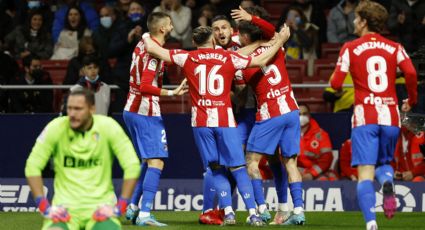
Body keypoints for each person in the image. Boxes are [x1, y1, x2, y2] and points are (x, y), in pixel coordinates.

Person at [143, 24, 290, 226]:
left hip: (201, 123)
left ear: (194, 43)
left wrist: (146, 33)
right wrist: (280, 40)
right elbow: (261, 59)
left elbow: (152, 48)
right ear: (213, 41)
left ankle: (228, 212)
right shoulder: (228, 57)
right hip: (225, 120)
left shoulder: (186, 56)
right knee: (238, 168)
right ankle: (254, 214)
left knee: (216, 168)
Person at [330, 1, 418, 229]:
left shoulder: (349, 47)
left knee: (365, 172)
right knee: (384, 163)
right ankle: (388, 182)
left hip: (365, 117)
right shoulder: (395, 47)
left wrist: (342, 74)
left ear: (364, 21)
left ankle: (371, 224)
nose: (353, 21)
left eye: (357, 18)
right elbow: (410, 72)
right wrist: (412, 100)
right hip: (390, 115)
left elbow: (336, 84)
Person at [25, 88, 141, 230]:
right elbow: (32, 166)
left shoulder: (108, 126)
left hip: (100, 210)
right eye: (70, 108)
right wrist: (44, 206)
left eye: (78, 109)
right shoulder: (56, 127)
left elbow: (132, 166)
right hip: (64, 210)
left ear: (92, 109)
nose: (72, 114)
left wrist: (120, 207)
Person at [235, 20, 305, 226]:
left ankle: (261, 209)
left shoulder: (242, 61)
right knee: (291, 163)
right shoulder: (277, 46)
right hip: (291, 110)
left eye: (240, 36)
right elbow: (272, 32)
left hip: (269, 113)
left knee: (251, 161)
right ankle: (299, 212)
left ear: (246, 38)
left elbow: (240, 93)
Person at [123, 12, 187, 227]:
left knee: (147, 161)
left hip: (131, 109)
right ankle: (144, 214)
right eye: (169, 23)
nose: (172, 26)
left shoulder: (144, 43)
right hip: (145, 111)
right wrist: (172, 93)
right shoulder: (153, 54)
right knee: (157, 161)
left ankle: (132, 207)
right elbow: (145, 86)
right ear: (162, 29)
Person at [298, 104, 338, 181]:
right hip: (295, 171)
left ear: (309, 115)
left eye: (304, 114)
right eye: (299, 114)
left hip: (317, 172)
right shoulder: (288, 135)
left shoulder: (321, 135)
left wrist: (311, 174)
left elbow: (327, 158)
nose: (301, 117)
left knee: (328, 180)